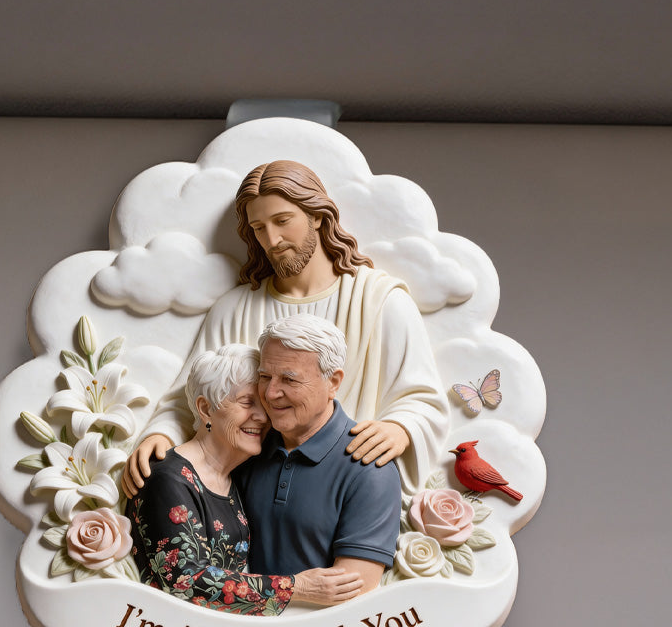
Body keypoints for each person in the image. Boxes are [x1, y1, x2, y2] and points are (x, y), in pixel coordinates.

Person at [121, 159, 449, 500]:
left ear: (317, 215)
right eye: (258, 228)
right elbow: (191, 397)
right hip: (253, 493)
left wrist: (400, 428)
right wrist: (161, 435)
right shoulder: (235, 309)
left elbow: (422, 399)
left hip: (348, 486)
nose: (272, 240)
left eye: (282, 221)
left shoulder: (380, 301)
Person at [127, 344, 363, 615]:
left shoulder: (233, 474)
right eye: (247, 403)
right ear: (205, 409)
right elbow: (184, 582)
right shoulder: (167, 478)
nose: (262, 417)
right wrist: (297, 588)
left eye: (264, 404)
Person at [238, 317, 401, 594]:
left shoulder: (369, 468)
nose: (271, 393)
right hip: (230, 623)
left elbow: (351, 591)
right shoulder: (248, 444)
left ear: (333, 382)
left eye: (289, 379)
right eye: (264, 377)